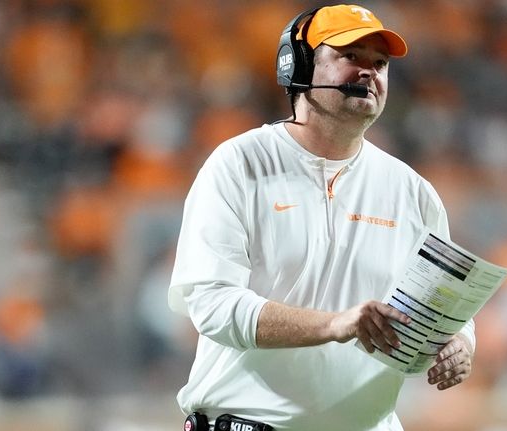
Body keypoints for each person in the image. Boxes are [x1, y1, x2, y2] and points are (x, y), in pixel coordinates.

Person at [169, 4, 475, 430]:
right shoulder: (239, 164)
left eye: (380, 63)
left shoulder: (412, 191)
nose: (369, 72)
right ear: (298, 64)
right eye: (351, 56)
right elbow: (213, 306)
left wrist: (459, 343)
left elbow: (446, 308)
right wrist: (333, 325)